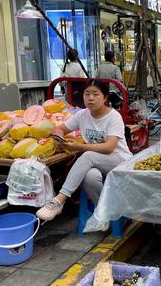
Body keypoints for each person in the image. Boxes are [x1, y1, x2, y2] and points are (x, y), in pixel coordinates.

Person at [36, 79, 132, 221]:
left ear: (105, 98)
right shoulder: (82, 115)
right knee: (89, 177)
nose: (90, 98)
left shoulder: (113, 117)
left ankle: (59, 200)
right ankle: (105, 213)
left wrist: (78, 146)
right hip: (97, 162)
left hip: (119, 160)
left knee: (88, 156)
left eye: (95, 94)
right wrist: (59, 139)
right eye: (87, 94)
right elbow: (59, 128)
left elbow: (109, 147)